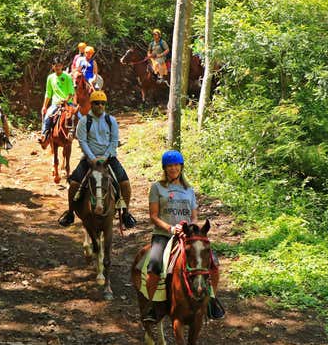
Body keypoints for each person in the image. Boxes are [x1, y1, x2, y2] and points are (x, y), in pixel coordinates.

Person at [142, 150, 223, 320]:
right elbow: (154, 216)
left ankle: (212, 301)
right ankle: (151, 305)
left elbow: (194, 216)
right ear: (165, 168)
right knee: (155, 265)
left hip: (188, 235)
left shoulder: (189, 190)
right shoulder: (157, 187)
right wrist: (171, 229)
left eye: (176, 165)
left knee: (213, 262)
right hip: (163, 234)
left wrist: (190, 227)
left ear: (181, 167)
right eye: (170, 166)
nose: (173, 169)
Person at [58, 90, 137, 229]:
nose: (100, 106)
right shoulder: (84, 122)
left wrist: (105, 157)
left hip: (109, 158)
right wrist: (93, 159)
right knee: (75, 183)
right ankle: (70, 213)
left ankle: (125, 214)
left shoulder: (111, 121)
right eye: (96, 103)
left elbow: (114, 141)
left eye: (102, 103)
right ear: (91, 104)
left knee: (125, 184)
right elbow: (82, 142)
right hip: (89, 158)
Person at [38, 57, 75, 145]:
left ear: (62, 66)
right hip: (55, 103)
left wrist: (65, 100)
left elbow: (71, 92)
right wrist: (44, 106)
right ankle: (44, 135)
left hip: (68, 102)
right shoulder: (50, 78)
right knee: (48, 116)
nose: (58, 68)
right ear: (53, 67)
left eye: (59, 66)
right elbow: (48, 93)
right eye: (56, 66)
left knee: (78, 116)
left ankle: (84, 136)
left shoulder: (67, 77)